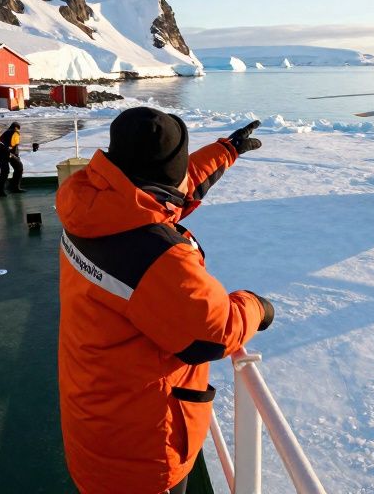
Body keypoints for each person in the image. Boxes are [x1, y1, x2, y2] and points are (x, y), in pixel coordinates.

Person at [55, 108, 273, 494]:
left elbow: (174, 188)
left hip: (95, 421)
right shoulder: (153, 255)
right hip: (142, 453)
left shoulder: (90, 202)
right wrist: (257, 306)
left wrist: (226, 150)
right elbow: (214, 333)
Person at [0, 122, 32, 197]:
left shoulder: (5, 132)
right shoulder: (15, 133)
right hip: (3, 151)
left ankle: (4, 190)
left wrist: (14, 157)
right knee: (16, 168)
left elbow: (9, 145)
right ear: (17, 128)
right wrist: (15, 157)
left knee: (8, 170)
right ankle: (11, 188)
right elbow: (14, 147)